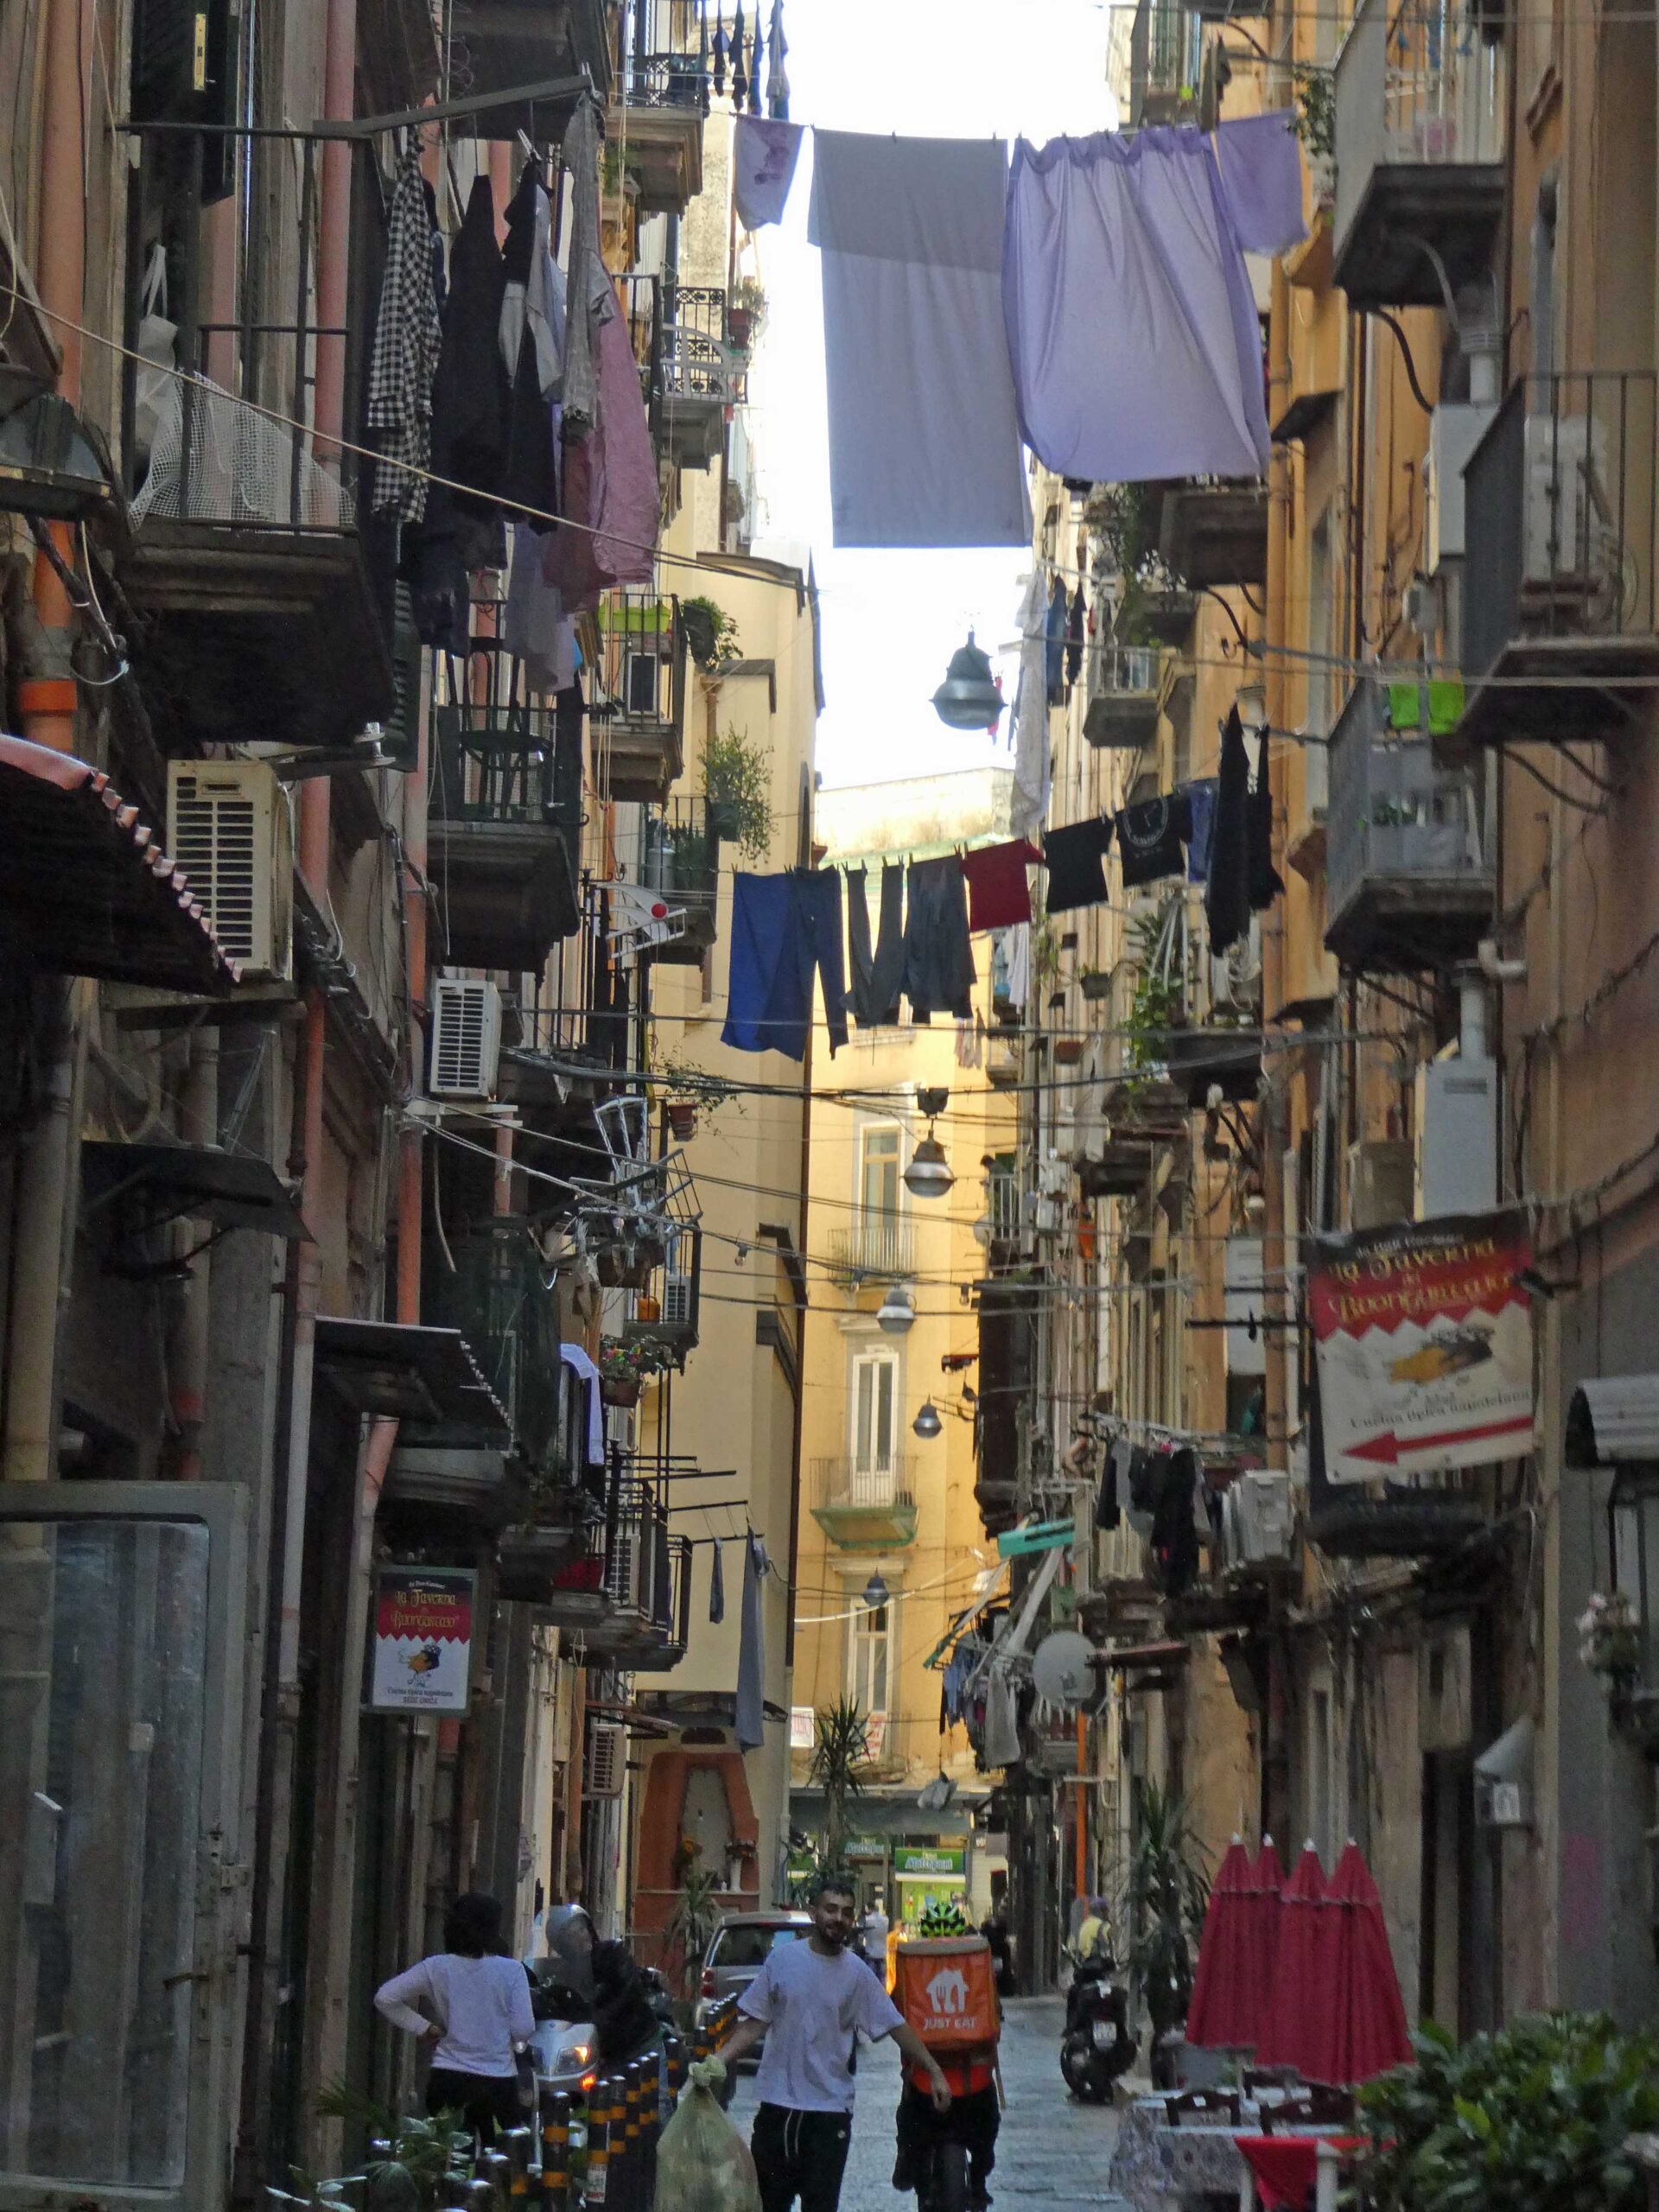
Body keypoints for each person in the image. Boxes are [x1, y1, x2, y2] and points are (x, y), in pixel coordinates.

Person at [719, 1875, 952, 2212]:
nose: (838, 1919)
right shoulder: (782, 1962)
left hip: (829, 2115)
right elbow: (755, 2023)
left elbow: (897, 2026)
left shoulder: (857, 1974)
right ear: (813, 1912)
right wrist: (717, 2060)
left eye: (846, 1912)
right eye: (830, 1909)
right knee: (767, 2205)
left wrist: (933, 2070)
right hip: (777, 2110)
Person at [375, 1891, 535, 2141]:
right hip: (497, 2082)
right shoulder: (512, 1971)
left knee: (452, 2157)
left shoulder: (436, 1967)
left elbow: (385, 1997)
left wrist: (424, 2028)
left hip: (448, 2078)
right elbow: (524, 2028)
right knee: (502, 2159)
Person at [1074, 1897, 1111, 1962]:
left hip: (1083, 1965)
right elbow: (1107, 1951)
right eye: (1106, 1910)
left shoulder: (1084, 1925)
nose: (1108, 1913)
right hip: (1097, 1967)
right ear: (1101, 1911)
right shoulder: (1104, 1926)